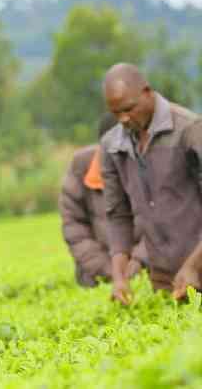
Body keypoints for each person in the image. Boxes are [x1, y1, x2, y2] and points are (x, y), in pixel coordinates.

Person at [101, 63, 202, 305]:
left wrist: (193, 265)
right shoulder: (112, 145)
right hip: (165, 280)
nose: (123, 119)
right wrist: (119, 277)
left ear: (147, 92)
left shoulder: (189, 129)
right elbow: (118, 215)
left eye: (129, 109)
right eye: (116, 113)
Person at [60, 113, 148, 287]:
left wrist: (138, 262)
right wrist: (110, 270)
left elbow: (164, 223)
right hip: (97, 273)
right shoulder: (81, 166)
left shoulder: (149, 163)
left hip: (147, 268)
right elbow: (75, 229)